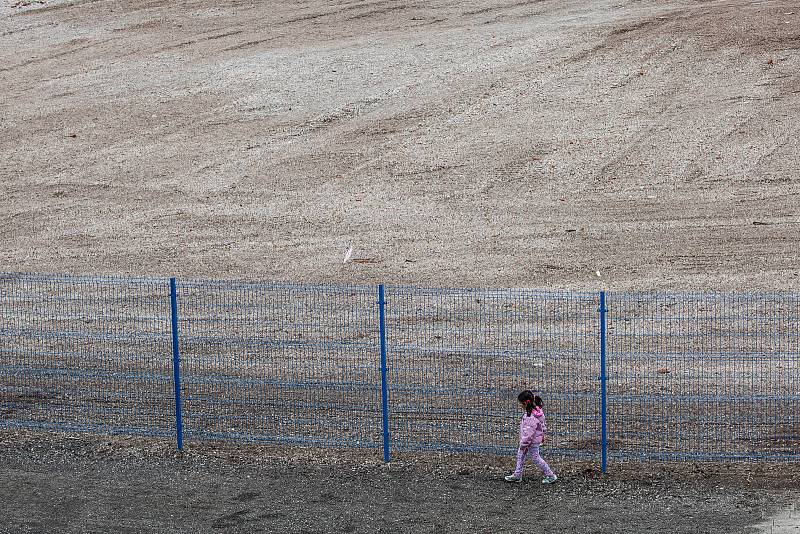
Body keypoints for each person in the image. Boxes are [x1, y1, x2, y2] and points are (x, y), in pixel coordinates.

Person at [504, 390, 557, 484]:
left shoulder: (530, 416)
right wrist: (542, 434)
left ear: (525, 403)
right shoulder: (538, 411)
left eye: (520, 404)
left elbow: (529, 434)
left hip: (530, 441)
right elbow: (543, 425)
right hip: (533, 440)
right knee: (521, 455)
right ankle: (517, 474)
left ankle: (550, 475)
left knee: (535, 457)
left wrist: (523, 443)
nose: (520, 406)